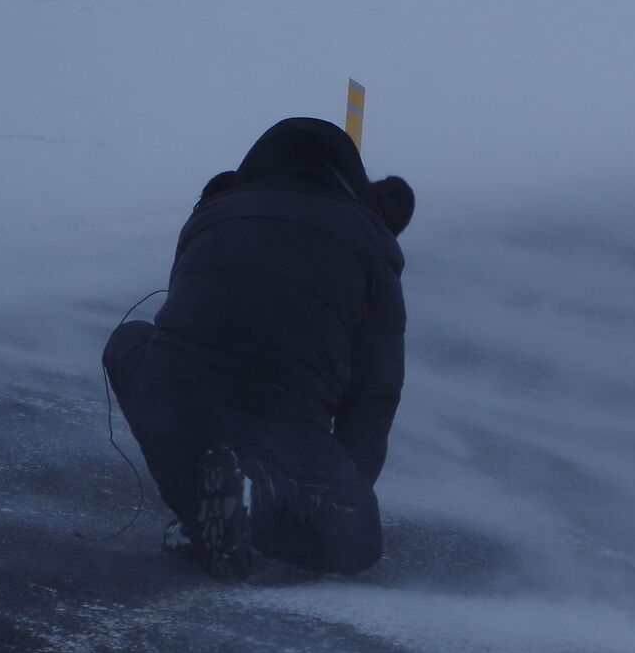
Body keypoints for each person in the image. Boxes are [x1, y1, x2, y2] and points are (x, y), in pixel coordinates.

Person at [103, 117, 414, 580]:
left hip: (179, 390)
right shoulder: (371, 240)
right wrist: (340, 492)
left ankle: (200, 515)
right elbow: (377, 388)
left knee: (130, 343)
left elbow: (183, 315)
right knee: (357, 540)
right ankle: (255, 498)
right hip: (283, 408)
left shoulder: (214, 211)